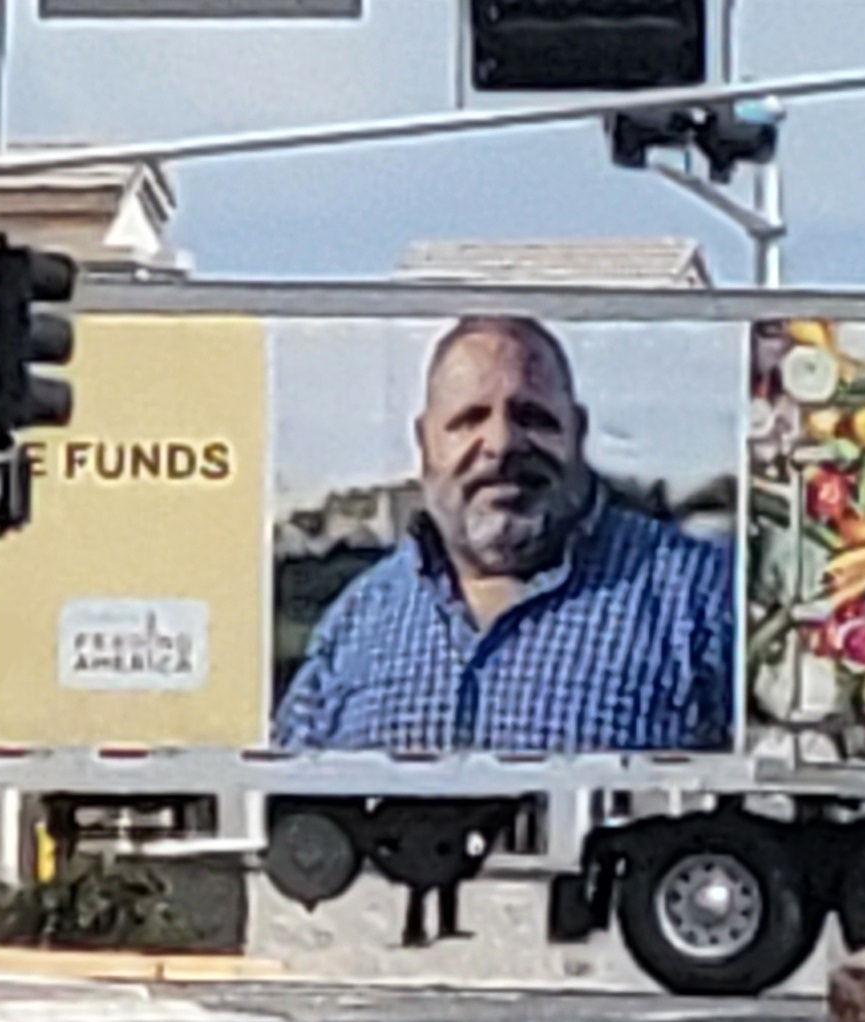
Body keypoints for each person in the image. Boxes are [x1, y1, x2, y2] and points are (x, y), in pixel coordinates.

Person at [273, 315, 734, 764]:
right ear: (425, 442)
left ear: (577, 433)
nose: (502, 442)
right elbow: (283, 804)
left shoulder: (700, 598)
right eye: (468, 420)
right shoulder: (359, 618)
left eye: (532, 416)